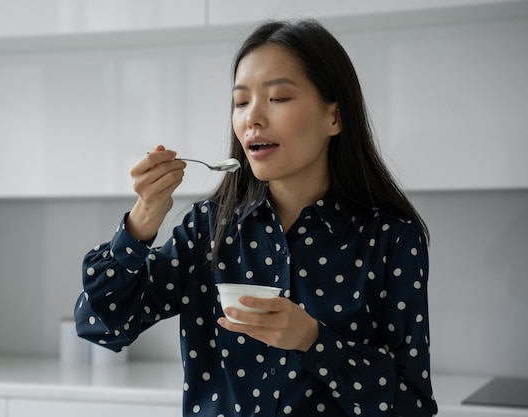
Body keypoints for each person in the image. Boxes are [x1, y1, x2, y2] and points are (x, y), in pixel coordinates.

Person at [74, 18, 438, 417]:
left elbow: (412, 406)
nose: (252, 118)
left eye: (278, 98)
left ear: (334, 116)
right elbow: (100, 325)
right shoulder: (209, 228)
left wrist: (314, 341)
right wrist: (143, 218)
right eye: (241, 101)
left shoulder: (390, 238)